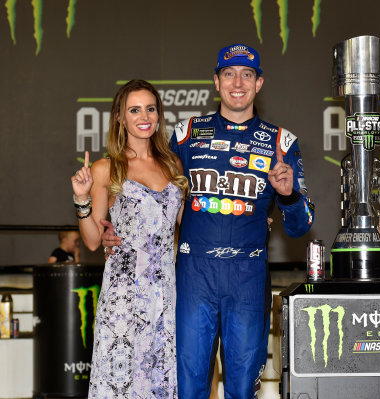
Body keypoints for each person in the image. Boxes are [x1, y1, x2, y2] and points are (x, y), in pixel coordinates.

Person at [102, 44, 314, 398]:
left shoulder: (281, 142)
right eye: (229, 74)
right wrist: (114, 226)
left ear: (259, 83)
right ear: (216, 81)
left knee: (243, 388)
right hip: (192, 276)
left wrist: (289, 195)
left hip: (247, 277)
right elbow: (142, 174)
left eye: (247, 75)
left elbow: (301, 225)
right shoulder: (184, 135)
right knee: (187, 386)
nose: (237, 83)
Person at [71, 79, 188, 398]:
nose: (144, 116)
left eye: (150, 108)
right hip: (123, 299)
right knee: (121, 386)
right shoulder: (106, 168)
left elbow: (184, 227)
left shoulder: (172, 164)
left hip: (164, 299)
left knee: (157, 386)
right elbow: (94, 240)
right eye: (134, 109)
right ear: (120, 117)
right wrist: (82, 198)